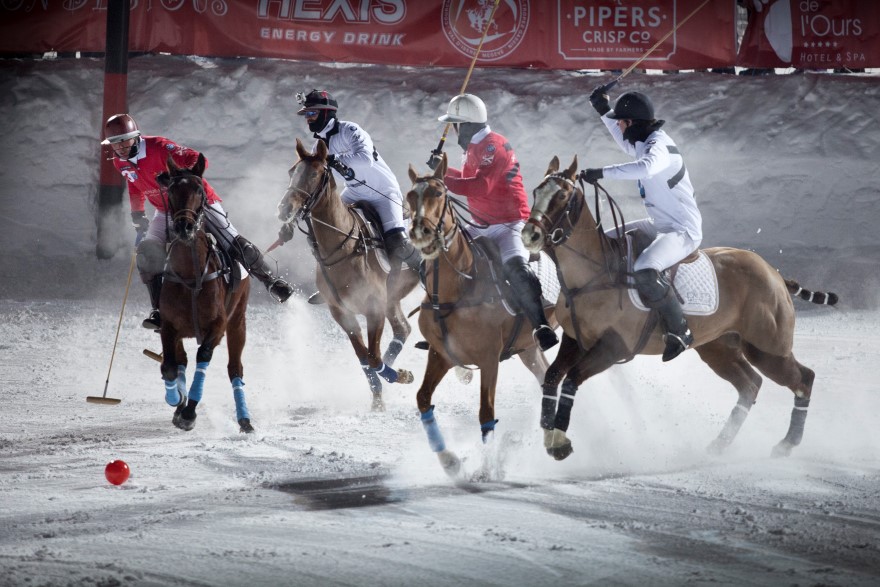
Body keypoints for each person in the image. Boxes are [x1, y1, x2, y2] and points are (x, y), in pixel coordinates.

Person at [102, 113, 294, 330]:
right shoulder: (120, 162)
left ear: (136, 137)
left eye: (125, 141)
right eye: (115, 143)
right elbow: (135, 186)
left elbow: (197, 158)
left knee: (232, 240)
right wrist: (137, 214)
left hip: (199, 203)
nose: (121, 147)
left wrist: (177, 177)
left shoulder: (159, 147)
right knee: (147, 254)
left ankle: (271, 282)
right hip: (166, 210)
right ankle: (158, 310)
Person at [430, 93, 558, 351]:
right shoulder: (473, 147)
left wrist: (443, 178)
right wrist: (442, 169)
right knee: (445, 257)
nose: (453, 131)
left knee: (515, 268)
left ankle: (541, 326)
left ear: (466, 125)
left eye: (455, 125)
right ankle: (444, 324)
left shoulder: (494, 146)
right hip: (479, 223)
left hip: (509, 224)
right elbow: (466, 178)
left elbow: (481, 185)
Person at [582, 87, 702, 361]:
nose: (619, 127)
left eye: (621, 122)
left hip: (682, 230)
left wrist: (601, 172)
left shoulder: (658, 147)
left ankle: (680, 331)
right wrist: (603, 109)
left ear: (632, 122)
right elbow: (625, 143)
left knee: (645, 270)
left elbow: (646, 167)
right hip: (658, 224)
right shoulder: (643, 140)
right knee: (603, 243)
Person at [288, 89, 420, 305]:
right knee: (327, 230)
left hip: (383, 191)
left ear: (326, 113)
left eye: (312, 113)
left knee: (396, 241)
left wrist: (336, 160)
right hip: (354, 191)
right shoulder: (317, 145)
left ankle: (425, 270)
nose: (308, 118)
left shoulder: (350, 130)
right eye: (306, 115)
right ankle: (330, 284)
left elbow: (366, 158)